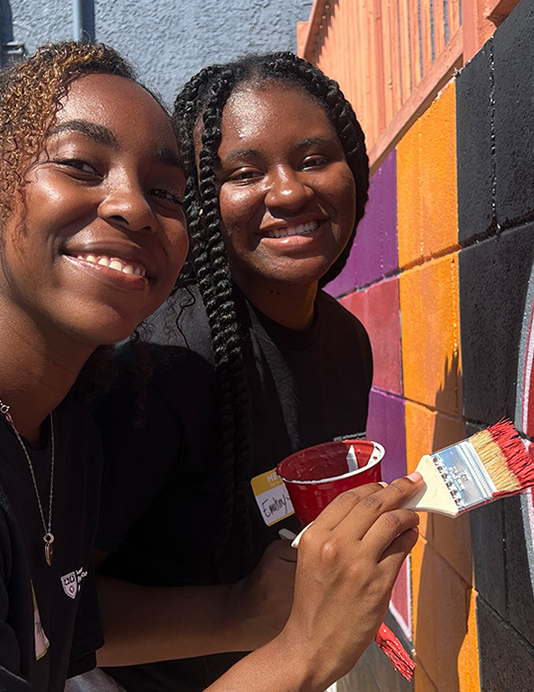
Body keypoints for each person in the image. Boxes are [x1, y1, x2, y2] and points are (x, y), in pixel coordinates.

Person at [0, 41, 421, 692]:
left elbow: (62, 626)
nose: (132, 207)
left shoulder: (53, 425)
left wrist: (258, 612)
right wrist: (302, 653)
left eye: (164, 189)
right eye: (80, 164)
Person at [94, 52, 381, 692]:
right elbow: (54, 611)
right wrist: (241, 613)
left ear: (353, 171)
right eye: (245, 173)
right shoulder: (161, 362)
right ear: (201, 202)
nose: (287, 191)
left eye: (312, 159)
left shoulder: (347, 343)